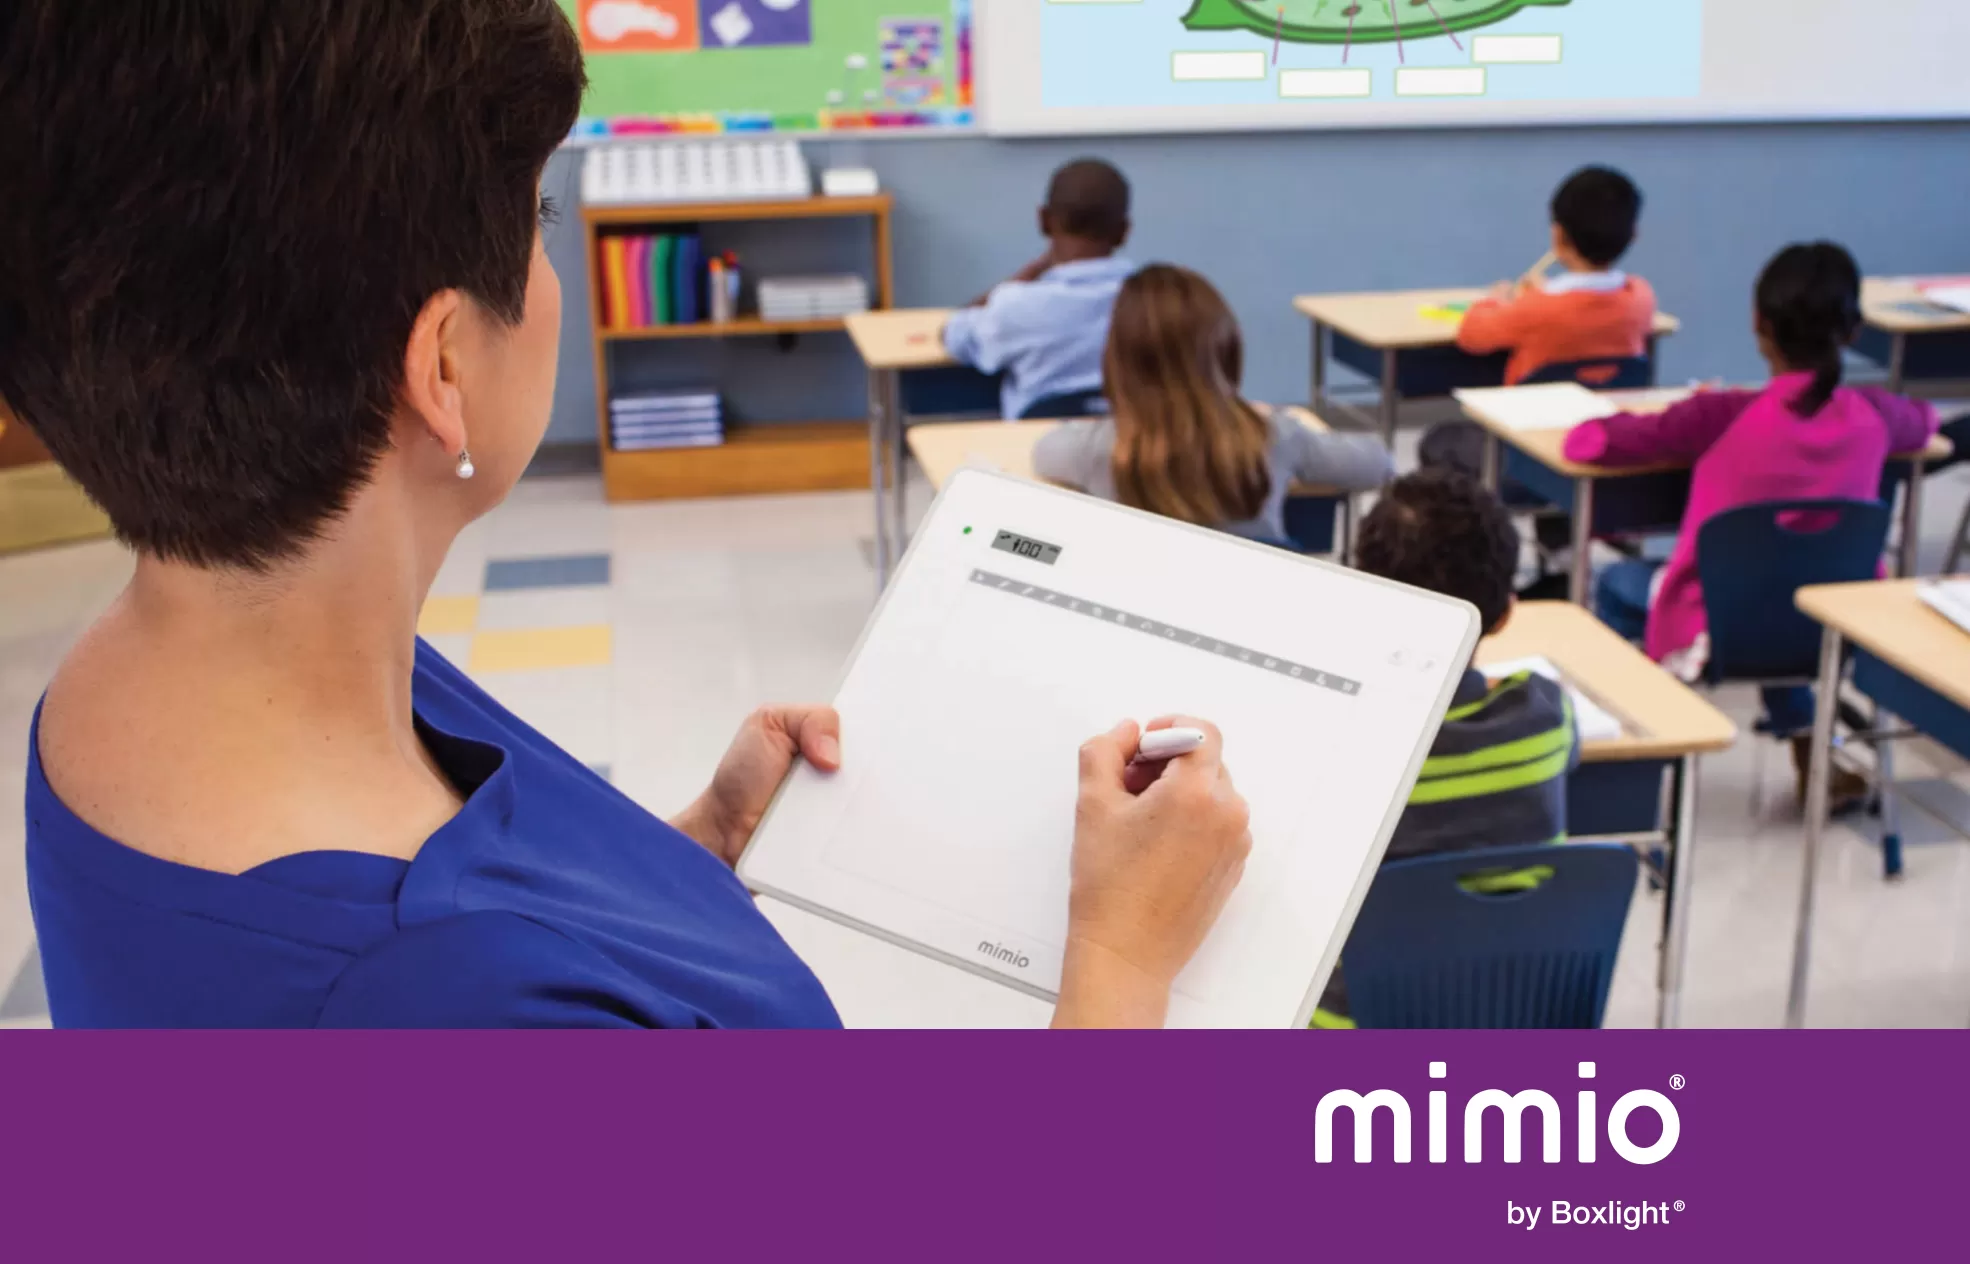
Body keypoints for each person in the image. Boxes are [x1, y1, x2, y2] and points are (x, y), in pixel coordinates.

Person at [1, 0, 1250, 1030]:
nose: (547, 272)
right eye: (541, 219)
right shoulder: (447, 1003)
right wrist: (1122, 954)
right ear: (441, 368)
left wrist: (689, 850)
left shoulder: (153, 681)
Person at [1568, 242, 1939, 807]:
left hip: (1719, 627)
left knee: (1616, 585)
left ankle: (1634, 760)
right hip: (1833, 625)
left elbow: (1591, 442)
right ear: (1855, 330)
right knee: (1781, 581)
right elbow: (1926, 422)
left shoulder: (1720, 416)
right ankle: (1810, 742)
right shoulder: (1877, 413)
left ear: (1757, 323)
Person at [1311, 469, 1581, 1029]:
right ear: (1505, 612)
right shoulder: (1545, 720)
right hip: (1507, 1021)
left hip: (1346, 1034)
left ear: (1369, 596)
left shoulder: (1334, 742)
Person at [1032, 265, 1392, 541]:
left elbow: (1043, 451)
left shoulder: (1096, 447)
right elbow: (1380, 464)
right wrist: (1271, 416)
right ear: (1228, 351)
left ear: (1117, 360)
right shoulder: (1273, 434)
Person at [942, 158, 1138, 421]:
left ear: (1044, 220)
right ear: (1124, 231)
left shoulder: (1016, 306)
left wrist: (1026, 274)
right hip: (1136, 451)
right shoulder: (1159, 301)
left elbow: (955, 336)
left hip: (1036, 455)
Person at [1456, 166, 1658, 386]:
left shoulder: (1535, 308)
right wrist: (1543, 292)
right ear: (1634, 235)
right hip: (1608, 416)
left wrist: (1497, 299)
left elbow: (1471, 334)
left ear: (1558, 234)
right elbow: (1586, 308)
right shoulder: (1640, 297)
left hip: (1534, 417)